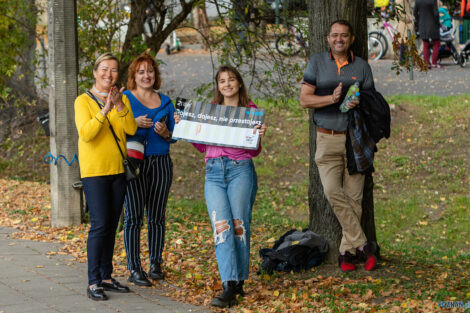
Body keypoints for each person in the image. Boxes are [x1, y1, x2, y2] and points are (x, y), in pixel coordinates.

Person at [174, 65, 266, 308]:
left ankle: (239, 282)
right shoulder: (210, 112)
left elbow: (254, 150)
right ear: (218, 86)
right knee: (221, 226)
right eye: (222, 80)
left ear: (239, 83)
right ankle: (228, 284)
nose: (227, 84)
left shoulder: (250, 111)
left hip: (240, 170)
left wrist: (258, 136)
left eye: (232, 79)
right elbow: (203, 147)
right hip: (213, 172)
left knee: (239, 225)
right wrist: (186, 128)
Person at [299, 20, 378, 273]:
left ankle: (345, 253)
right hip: (327, 138)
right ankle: (364, 245)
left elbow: (373, 104)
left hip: (355, 140)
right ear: (328, 38)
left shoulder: (362, 67)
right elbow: (304, 99)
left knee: (354, 198)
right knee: (333, 192)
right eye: (335, 35)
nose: (339, 39)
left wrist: (359, 103)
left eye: (344, 35)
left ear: (352, 39)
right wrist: (330, 99)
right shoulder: (317, 63)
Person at [74, 53, 137, 300]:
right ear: (95, 72)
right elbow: (87, 134)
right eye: (103, 69)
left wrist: (119, 105)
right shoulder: (83, 101)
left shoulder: (122, 98)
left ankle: (106, 276)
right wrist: (106, 109)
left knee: (111, 226)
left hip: (118, 171)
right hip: (95, 172)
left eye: (112, 70)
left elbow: (131, 129)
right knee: (99, 226)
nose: (108, 74)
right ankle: (93, 282)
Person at [123, 53, 176, 287]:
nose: (147, 75)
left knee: (156, 216)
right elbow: (114, 128)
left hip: (161, 162)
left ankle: (155, 263)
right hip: (134, 164)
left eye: (150, 71)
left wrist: (165, 133)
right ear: (134, 76)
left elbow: (174, 135)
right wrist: (133, 123)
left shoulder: (166, 102)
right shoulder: (124, 99)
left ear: (156, 75)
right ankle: (134, 267)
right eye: (141, 71)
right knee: (133, 216)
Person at [414, 0, 441, 68]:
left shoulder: (417, 1)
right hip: (433, 25)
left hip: (422, 25)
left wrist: (418, 21)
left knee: (425, 44)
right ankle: (434, 63)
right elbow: (436, 14)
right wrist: (438, 23)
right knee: (436, 43)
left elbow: (415, 13)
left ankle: (426, 63)